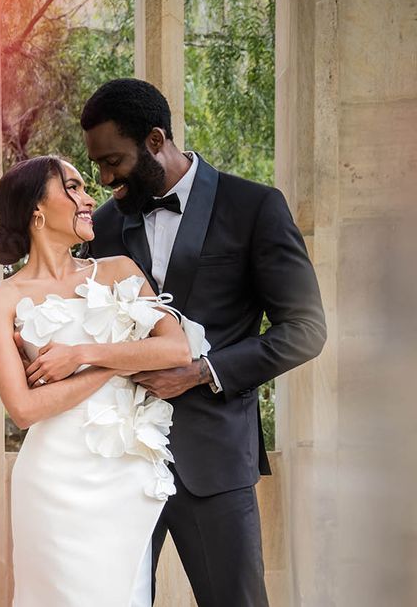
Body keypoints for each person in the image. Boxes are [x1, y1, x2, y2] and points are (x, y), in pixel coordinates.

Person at [81, 78, 327, 606]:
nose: (104, 180)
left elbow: (305, 329)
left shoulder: (255, 206)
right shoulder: (102, 226)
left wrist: (201, 370)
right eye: (96, 166)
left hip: (215, 461)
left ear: (154, 140)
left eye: (113, 162)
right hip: (118, 465)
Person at [0, 155, 208, 607]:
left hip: (126, 479)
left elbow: (178, 349)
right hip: (52, 484)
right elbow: (24, 410)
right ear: (36, 211)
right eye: (74, 188)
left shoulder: (120, 270)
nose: (89, 198)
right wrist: (115, 367)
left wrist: (82, 355)